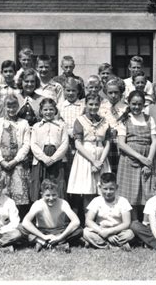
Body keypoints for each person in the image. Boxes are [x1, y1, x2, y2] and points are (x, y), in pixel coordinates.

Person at [67, 93, 111, 223]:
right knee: (88, 191)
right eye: (90, 104)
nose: (93, 107)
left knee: (102, 190)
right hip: (85, 157)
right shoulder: (80, 120)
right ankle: (88, 224)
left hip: (101, 157)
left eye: (96, 104)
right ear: (86, 105)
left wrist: (100, 161)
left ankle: (102, 222)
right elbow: (77, 144)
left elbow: (107, 142)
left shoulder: (104, 121)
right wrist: (93, 161)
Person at [116, 91, 156, 221]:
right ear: (129, 103)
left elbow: (154, 141)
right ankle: (133, 223)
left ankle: (146, 223)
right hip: (130, 159)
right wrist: (140, 158)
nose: (137, 107)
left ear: (144, 104)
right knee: (131, 193)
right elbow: (122, 144)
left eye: (140, 104)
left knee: (147, 192)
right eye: (134, 104)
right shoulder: (124, 120)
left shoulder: (149, 119)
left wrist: (148, 160)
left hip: (147, 157)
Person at [0, 95, 31, 218]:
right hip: (1, 164)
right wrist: (1, 160)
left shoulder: (23, 123)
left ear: (18, 106)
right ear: (4, 107)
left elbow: (26, 144)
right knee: (2, 191)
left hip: (17, 164)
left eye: (14, 106)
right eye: (9, 106)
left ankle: (17, 220)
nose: (11, 109)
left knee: (18, 192)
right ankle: (2, 219)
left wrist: (15, 160)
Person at [21, 179, 82, 252]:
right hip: (42, 231)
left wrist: (59, 237)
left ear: (58, 194)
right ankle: (56, 243)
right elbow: (25, 222)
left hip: (59, 230)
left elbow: (76, 221)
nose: (51, 198)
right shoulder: (38, 204)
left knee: (79, 230)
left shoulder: (63, 203)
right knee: (21, 227)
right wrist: (44, 236)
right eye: (47, 195)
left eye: (54, 195)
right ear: (42, 194)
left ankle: (44, 242)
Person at [83, 172, 134, 250]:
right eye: (105, 189)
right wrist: (103, 232)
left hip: (118, 231)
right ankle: (114, 245)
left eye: (111, 189)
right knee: (85, 232)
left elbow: (126, 223)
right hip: (100, 231)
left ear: (116, 187)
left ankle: (102, 244)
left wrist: (110, 232)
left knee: (130, 234)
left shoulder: (123, 201)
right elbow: (88, 221)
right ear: (100, 187)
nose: (108, 192)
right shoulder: (96, 200)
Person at [31, 98, 68, 200]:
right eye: (45, 110)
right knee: (40, 186)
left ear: (55, 110)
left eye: (51, 109)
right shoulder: (36, 126)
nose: (48, 112)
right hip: (41, 161)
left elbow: (65, 143)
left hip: (57, 160)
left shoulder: (61, 125)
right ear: (41, 111)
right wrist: (44, 158)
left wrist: (53, 158)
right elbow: (33, 144)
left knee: (58, 186)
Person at [58, 77, 85, 189]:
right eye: (68, 90)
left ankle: (78, 200)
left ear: (78, 91)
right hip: (65, 143)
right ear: (64, 91)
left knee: (79, 170)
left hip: (79, 142)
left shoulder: (83, 106)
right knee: (66, 170)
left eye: (73, 90)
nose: (70, 93)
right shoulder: (60, 106)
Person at [98, 77, 128, 174]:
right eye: (110, 93)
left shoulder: (126, 108)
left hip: (122, 143)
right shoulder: (101, 107)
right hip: (105, 144)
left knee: (120, 171)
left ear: (121, 92)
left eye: (116, 92)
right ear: (106, 93)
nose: (113, 95)